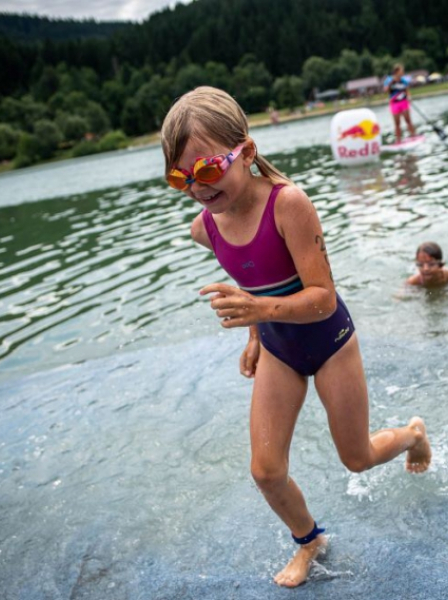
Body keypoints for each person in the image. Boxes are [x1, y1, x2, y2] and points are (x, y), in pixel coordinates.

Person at [161, 86, 432, 588]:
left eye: (206, 169)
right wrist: (255, 336)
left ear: (245, 152)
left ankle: (413, 434)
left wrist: (257, 312)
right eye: (181, 176)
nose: (196, 186)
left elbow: (323, 297)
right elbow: (253, 279)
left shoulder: (289, 205)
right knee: (266, 471)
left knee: (356, 458)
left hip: (329, 341)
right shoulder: (206, 226)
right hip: (279, 349)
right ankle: (310, 540)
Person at [383, 64, 416, 143]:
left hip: (404, 102)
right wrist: (391, 82)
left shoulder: (403, 80)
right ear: (397, 71)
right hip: (394, 103)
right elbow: (385, 90)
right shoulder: (388, 80)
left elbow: (407, 90)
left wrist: (409, 97)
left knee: (408, 120)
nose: (403, 73)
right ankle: (398, 140)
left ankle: (413, 135)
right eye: (401, 71)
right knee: (397, 123)